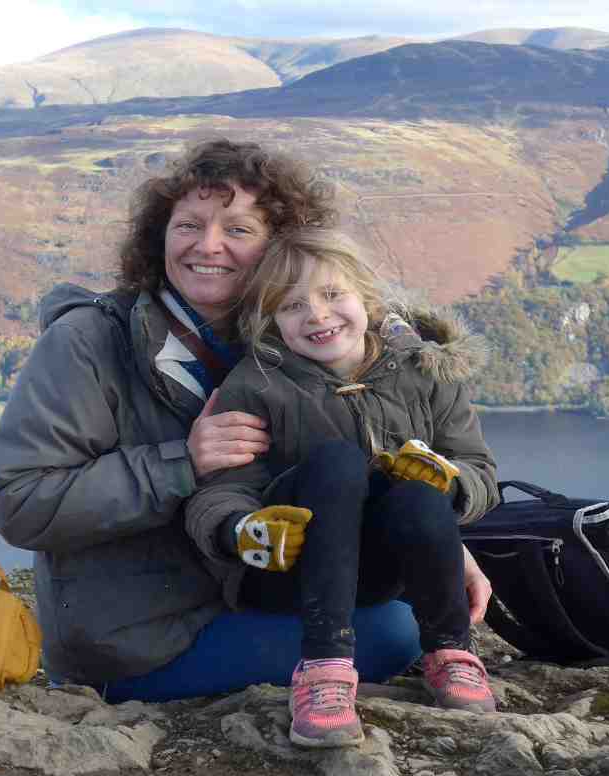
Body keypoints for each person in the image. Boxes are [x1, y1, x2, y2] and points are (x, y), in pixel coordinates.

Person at [0, 139, 495, 703]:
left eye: (239, 229)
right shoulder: (88, 343)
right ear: (159, 237)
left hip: (266, 589)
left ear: (283, 248)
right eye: (188, 226)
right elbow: (20, 502)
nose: (209, 246)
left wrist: (439, 544)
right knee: (393, 634)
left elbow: (356, 466)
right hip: (147, 635)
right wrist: (184, 460)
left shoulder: (303, 339)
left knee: (399, 616)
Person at [184, 227, 500, 748]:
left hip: (383, 570)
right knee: (335, 463)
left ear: (367, 299)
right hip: (289, 567)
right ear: (269, 320)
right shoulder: (256, 385)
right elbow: (221, 488)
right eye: (291, 306)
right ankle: (324, 670)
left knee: (419, 486)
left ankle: (450, 652)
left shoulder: (426, 372)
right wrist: (241, 531)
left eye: (333, 295)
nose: (317, 315)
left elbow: (478, 469)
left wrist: (453, 483)